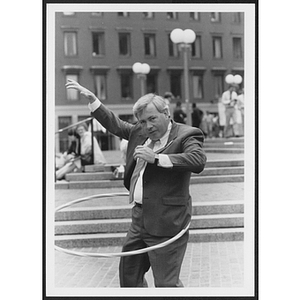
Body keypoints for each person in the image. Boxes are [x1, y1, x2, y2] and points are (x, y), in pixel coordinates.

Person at [66, 79, 207, 288]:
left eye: (152, 118)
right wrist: (93, 100)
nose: (148, 126)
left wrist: (157, 159)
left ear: (166, 112)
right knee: (129, 278)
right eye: (142, 121)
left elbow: (198, 160)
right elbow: (115, 124)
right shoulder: (140, 132)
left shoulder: (186, 134)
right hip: (139, 219)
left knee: (166, 284)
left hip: (167, 221)